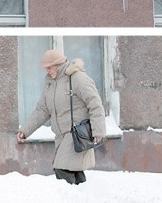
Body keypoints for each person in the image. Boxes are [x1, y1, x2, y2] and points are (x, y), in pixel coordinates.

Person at [16, 49, 106, 185]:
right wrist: (25, 130)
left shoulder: (77, 78)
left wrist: (98, 130)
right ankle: (83, 196)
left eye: (49, 67)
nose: (47, 70)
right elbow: (43, 109)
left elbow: (95, 104)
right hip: (61, 137)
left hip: (77, 135)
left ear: (58, 64)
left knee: (62, 169)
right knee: (73, 171)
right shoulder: (51, 83)